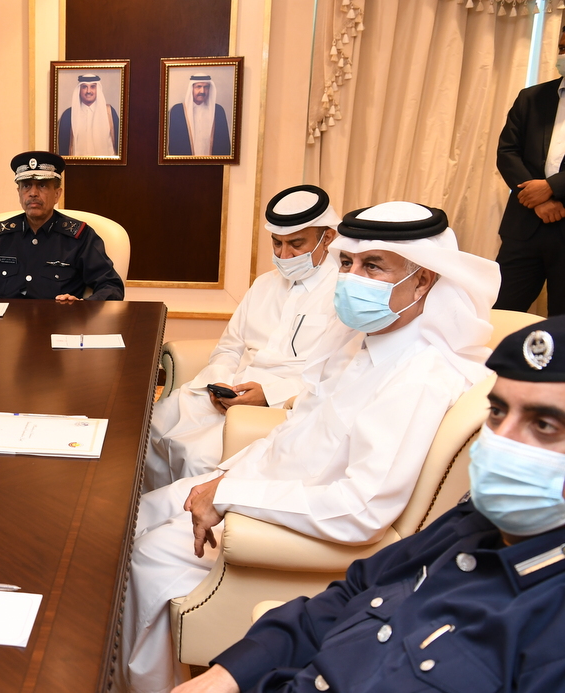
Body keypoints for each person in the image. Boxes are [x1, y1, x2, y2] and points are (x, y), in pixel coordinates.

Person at [120, 201, 501, 693]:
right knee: (128, 516)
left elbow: (361, 509)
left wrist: (229, 497)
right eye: (347, 263)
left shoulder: (422, 376)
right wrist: (223, 480)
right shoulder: (359, 341)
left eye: (373, 266)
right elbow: (295, 433)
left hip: (290, 522)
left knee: (143, 556)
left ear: (423, 280)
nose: (351, 278)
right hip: (259, 483)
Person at [178, 316, 565, 693]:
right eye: (497, 413)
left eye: (544, 425)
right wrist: (225, 676)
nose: (500, 440)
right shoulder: (473, 521)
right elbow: (349, 595)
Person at [144, 185, 342, 491]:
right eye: (277, 243)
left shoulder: (343, 294)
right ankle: (139, 516)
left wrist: (269, 394)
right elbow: (229, 347)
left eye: (296, 244)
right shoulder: (264, 284)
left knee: (198, 457)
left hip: (282, 405)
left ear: (326, 238)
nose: (284, 255)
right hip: (228, 393)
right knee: (151, 426)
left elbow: (335, 376)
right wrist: (220, 381)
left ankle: (185, 527)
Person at [0, 151, 124, 301]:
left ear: (57, 194)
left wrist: (83, 307)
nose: (33, 193)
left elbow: (111, 287)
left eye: (42, 185)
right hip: (7, 327)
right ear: (19, 193)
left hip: (60, 325)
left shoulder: (80, 236)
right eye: (26, 186)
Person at [494, 26, 565, 316]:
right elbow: (507, 151)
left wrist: (553, 188)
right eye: (562, 47)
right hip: (525, 225)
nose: (563, 54)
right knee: (498, 312)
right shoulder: (533, 97)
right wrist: (539, 199)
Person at [168, 74, 231, 157]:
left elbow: (224, 142)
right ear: (191, 88)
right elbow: (173, 142)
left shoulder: (218, 110)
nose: (202, 91)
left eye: (206, 87)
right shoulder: (178, 111)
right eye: (198, 86)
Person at [57, 73, 120, 157]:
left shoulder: (109, 112)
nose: (88, 91)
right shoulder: (68, 115)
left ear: (98, 89)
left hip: (106, 166)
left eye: (92, 87)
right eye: (84, 87)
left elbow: (119, 143)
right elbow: (63, 148)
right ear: (79, 90)